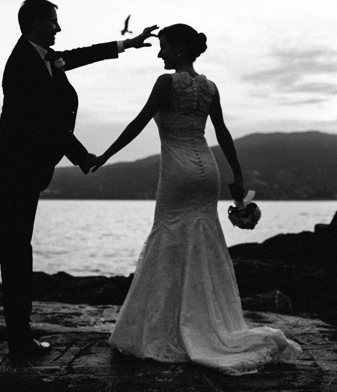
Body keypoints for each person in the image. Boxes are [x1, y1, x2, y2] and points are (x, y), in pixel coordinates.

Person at [0, 0, 156, 362]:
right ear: (35, 23)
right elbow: (47, 122)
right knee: (14, 253)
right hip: (13, 170)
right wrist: (83, 157)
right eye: (53, 22)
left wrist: (128, 43)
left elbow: (80, 55)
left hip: (13, 169)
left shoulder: (43, 56)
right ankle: (17, 340)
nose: (59, 29)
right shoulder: (23, 64)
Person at [90, 24, 301, 375]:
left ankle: (166, 329)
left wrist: (105, 155)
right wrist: (239, 178)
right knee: (204, 243)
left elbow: (139, 122)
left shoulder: (166, 84)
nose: (160, 54)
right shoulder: (210, 87)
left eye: (164, 47)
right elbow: (222, 132)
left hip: (176, 171)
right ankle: (209, 320)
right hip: (208, 171)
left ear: (180, 49)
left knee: (169, 238)